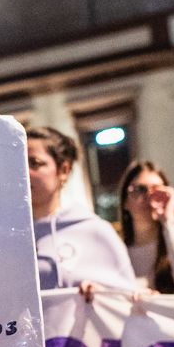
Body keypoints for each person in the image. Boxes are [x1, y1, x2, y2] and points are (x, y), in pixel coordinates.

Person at [26, 126, 135, 299]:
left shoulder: (95, 231)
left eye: (35, 163)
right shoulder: (5, 235)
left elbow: (129, 299)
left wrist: (101, 293)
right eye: (19, 164)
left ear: (64, 170)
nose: (24, 172)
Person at [116, 161, 174, 293]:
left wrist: (168, 218)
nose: (149, 197)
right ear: (125, 201)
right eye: (140, 189)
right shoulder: (116, 252)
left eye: (157, 190)